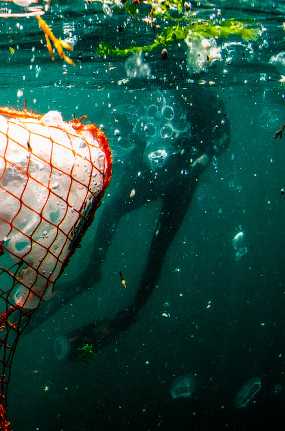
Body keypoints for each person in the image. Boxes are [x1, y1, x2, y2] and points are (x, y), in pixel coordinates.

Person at [25, 83, 230, 360]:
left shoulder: (199, 91)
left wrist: (200, 160)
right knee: (130, 227)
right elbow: (218, 133)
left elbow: (221, 135)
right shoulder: (183, 88)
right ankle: (96, 278)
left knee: (154, 244)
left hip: (180, 173)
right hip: (164, 168)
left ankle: (125, 306)